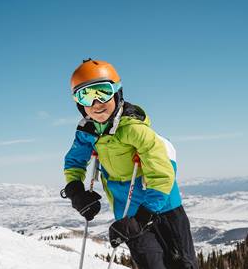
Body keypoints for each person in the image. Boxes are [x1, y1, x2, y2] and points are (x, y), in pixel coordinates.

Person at [63, 58, 198, 269]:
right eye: (86, 95)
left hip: (164, 206)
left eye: (102, 92)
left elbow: (161, 172)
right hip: (128, 212)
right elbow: (74, 161)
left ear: (117, 92)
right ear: (79, 103)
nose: (96, 103)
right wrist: (76, 191)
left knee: (182, 264)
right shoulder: (87, 132)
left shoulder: (134, 129)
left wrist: (143, 217)